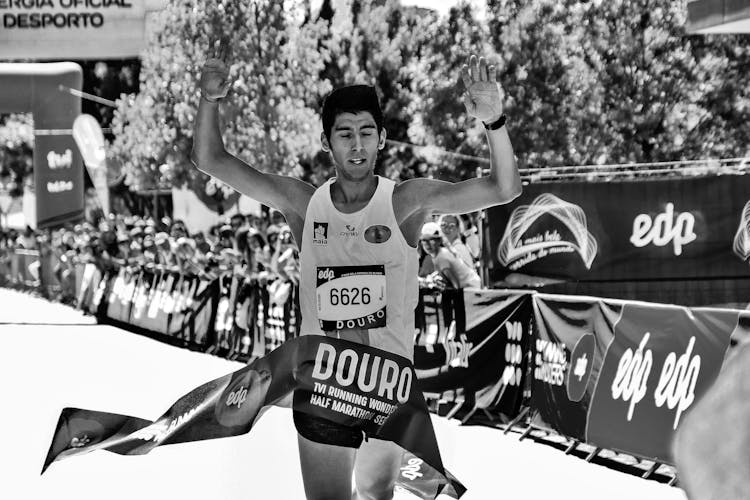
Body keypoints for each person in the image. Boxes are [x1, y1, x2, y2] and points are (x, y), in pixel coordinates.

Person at [191, 36, 521, 500]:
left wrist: (494, 122)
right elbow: (210, 160)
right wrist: (209, 98)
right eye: (344, 133)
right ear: (328, 143)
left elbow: (503, 188)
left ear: (382, 138)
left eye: (367, 131)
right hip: (323, 388)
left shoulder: (407, 201)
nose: (357, 144)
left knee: (375, 495)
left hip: (386, 390)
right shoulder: (302, 204)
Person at [420, 221, 481, 289]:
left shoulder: (442, 257)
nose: (427, 244)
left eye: (431, 240)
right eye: (424, 240)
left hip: (473, 290)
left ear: (439, 240)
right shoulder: (439, 254)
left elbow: (456, 286)